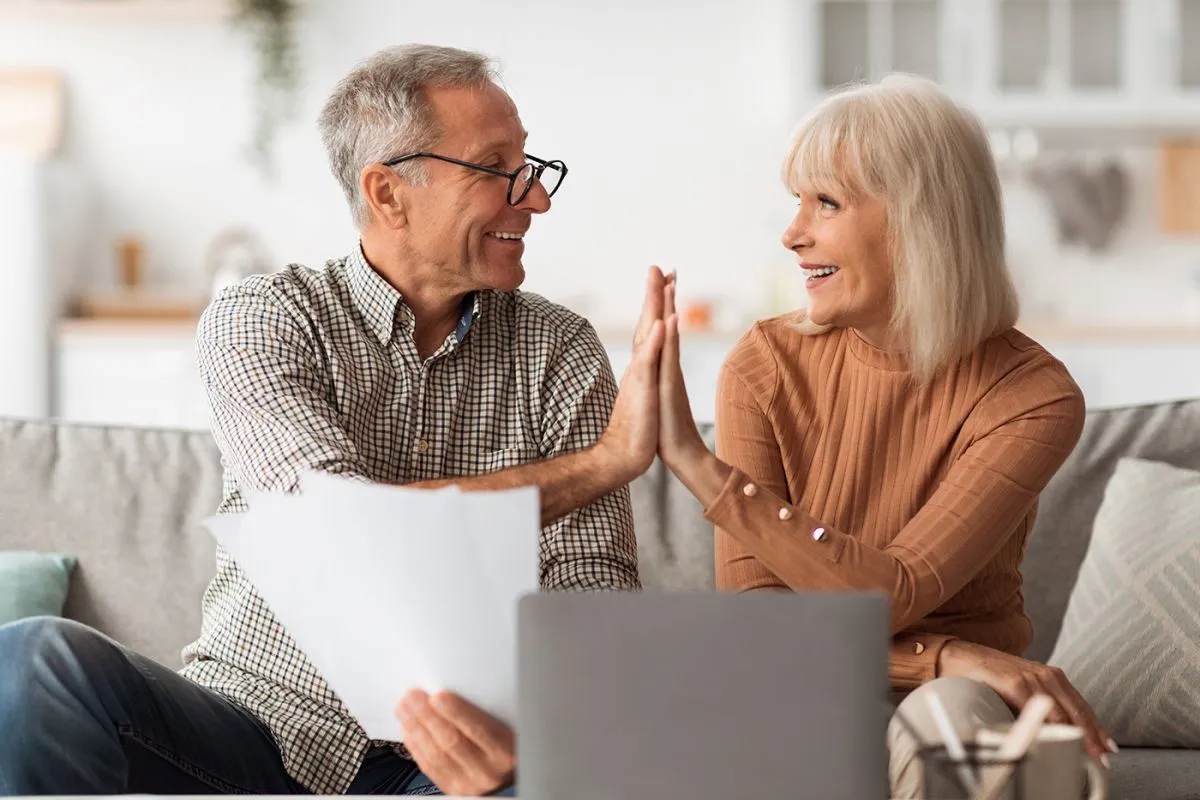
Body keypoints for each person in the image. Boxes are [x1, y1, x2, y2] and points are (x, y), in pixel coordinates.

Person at [0, 44, 666, 797]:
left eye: (530, 166)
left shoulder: (560, 350)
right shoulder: (264, 317)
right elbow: (335, 528)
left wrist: (532, 740)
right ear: (388, 193)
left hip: (459, 760)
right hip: (256, 734)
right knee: (34, 661)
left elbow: (591, 588)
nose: (536, 198)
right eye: (495, 168)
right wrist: (604, 464)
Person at [644, 74, 1117, 798]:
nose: (792, 233)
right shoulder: (764, 365)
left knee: (950, 723)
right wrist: (951, 654)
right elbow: (757, 625)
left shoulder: (1029, 395)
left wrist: (700, 468)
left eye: (826, 203)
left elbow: (893, 594)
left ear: (918, 222)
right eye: (797, 201)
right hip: (800, 675)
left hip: (956, 700)